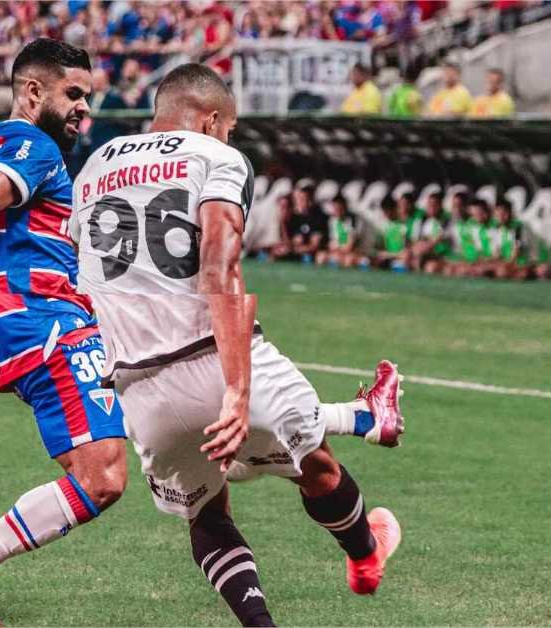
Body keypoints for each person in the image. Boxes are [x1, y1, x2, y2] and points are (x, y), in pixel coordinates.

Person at [0, 41, 404, 626]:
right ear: (32, 91)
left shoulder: (44, 155)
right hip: (65, 333)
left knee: (207, 478)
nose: (83, 110)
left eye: (87, 97)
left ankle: (361, 418)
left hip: (90, 355)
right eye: (73, 95)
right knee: (110, 478)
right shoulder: (34, 147)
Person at [71, 63, 403, 627]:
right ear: (212, 118)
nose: (232, 138)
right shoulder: (217, 157)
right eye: (231, 128)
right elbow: (219, 264)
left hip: (136, 384)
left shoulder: (95, 166)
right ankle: (366, 558)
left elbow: (85, 278)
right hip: (212, 354)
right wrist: (236, 389)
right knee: (316, 464)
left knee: (205, 511)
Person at [316, 195, 363, 267]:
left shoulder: (354, 220)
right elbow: (330, 244)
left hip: (353, 253)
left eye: (340, 208)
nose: (337, 211)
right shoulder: (331, 221)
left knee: (348, 259)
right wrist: (335, 247)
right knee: (321, 256)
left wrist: (336, 246)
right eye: (335, 208)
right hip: (337, 252)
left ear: (345, 207)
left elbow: (349, 246)